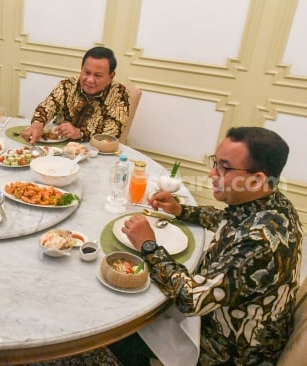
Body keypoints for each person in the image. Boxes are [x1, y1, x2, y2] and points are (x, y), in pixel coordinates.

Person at [116, 127, 302, 365]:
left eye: (224, 167)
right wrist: (181, 210)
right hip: (235, 318)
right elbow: (229, 219)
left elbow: (190, 300)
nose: (211, 173)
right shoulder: (274, 203)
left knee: (127, 330)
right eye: (215, 162)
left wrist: (148, 244)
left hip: (229, 350)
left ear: (257, 180)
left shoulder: (260, 245)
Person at [21, 46, 130, 144]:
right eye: (87, 72)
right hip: (59, 144)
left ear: (111, 76)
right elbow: (48, 105)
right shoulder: (68, 85)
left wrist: (80, 132)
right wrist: (37, 125)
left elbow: (114, 129)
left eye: (97, 75)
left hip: (95, 150)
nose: (90, 80)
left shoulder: (119, 94)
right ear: (81, 69)